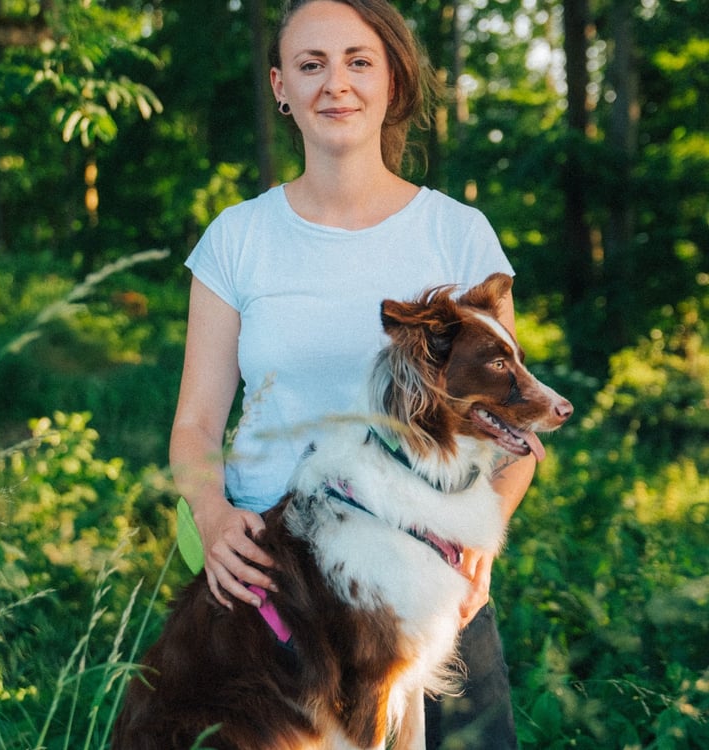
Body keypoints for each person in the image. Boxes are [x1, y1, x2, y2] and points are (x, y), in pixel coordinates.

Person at [169, 1, 535, 747]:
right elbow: (195, 424)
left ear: (392, 81)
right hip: (278, 586)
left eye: (358, 61)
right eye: (311, 64)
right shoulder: (237, 239)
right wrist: (210, 516)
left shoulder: (457, 233)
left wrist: (482, 543)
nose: (336, 83)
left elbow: (510, 426)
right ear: (280, 86)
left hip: (429, 575)